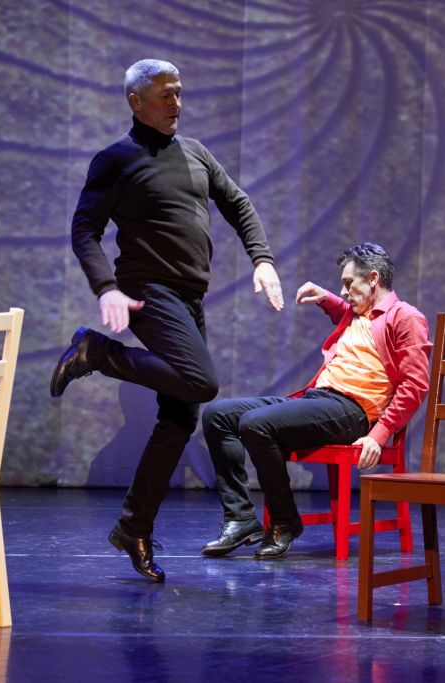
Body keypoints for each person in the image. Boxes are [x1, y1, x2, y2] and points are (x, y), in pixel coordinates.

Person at [50, 58, 283, 582]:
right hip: (147, 292)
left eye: (179, 93)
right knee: (202, 382)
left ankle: (134, 526)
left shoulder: (195, 152)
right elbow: (84, 230)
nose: (176, 104)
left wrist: (262, 260)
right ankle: (96, 351)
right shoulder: (116, 159)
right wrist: (106, 287)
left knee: (179, 418)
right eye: (165, 95)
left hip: (189, 297)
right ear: (135, 102)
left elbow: (237, 202)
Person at [201, 243, 431, 558]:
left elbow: (415, 384)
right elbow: (345, 311)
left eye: (349, 283)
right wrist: (326, 298)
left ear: (373, 278)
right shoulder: (356, 314)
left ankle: (285, 522)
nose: (344, 291)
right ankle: (240, 518)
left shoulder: (406, 317)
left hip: (352, 412)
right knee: (217, 414)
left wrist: (379, 435)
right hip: (317, 400)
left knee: (255, 424)